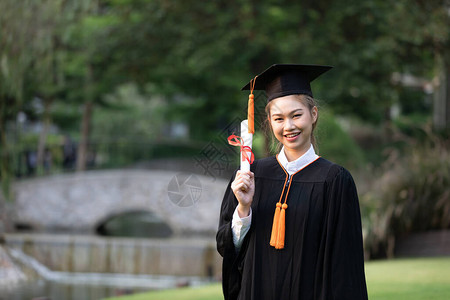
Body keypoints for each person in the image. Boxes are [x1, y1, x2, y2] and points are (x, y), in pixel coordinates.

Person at [216, 64, 368, 300]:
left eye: (296, 115)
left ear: (313, 114)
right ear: (269, 121)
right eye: (279, 118)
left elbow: (344, 267)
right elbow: (229, 250)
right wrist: (244, 209)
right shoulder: (251, 176)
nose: (289, 126)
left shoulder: (334, 181)